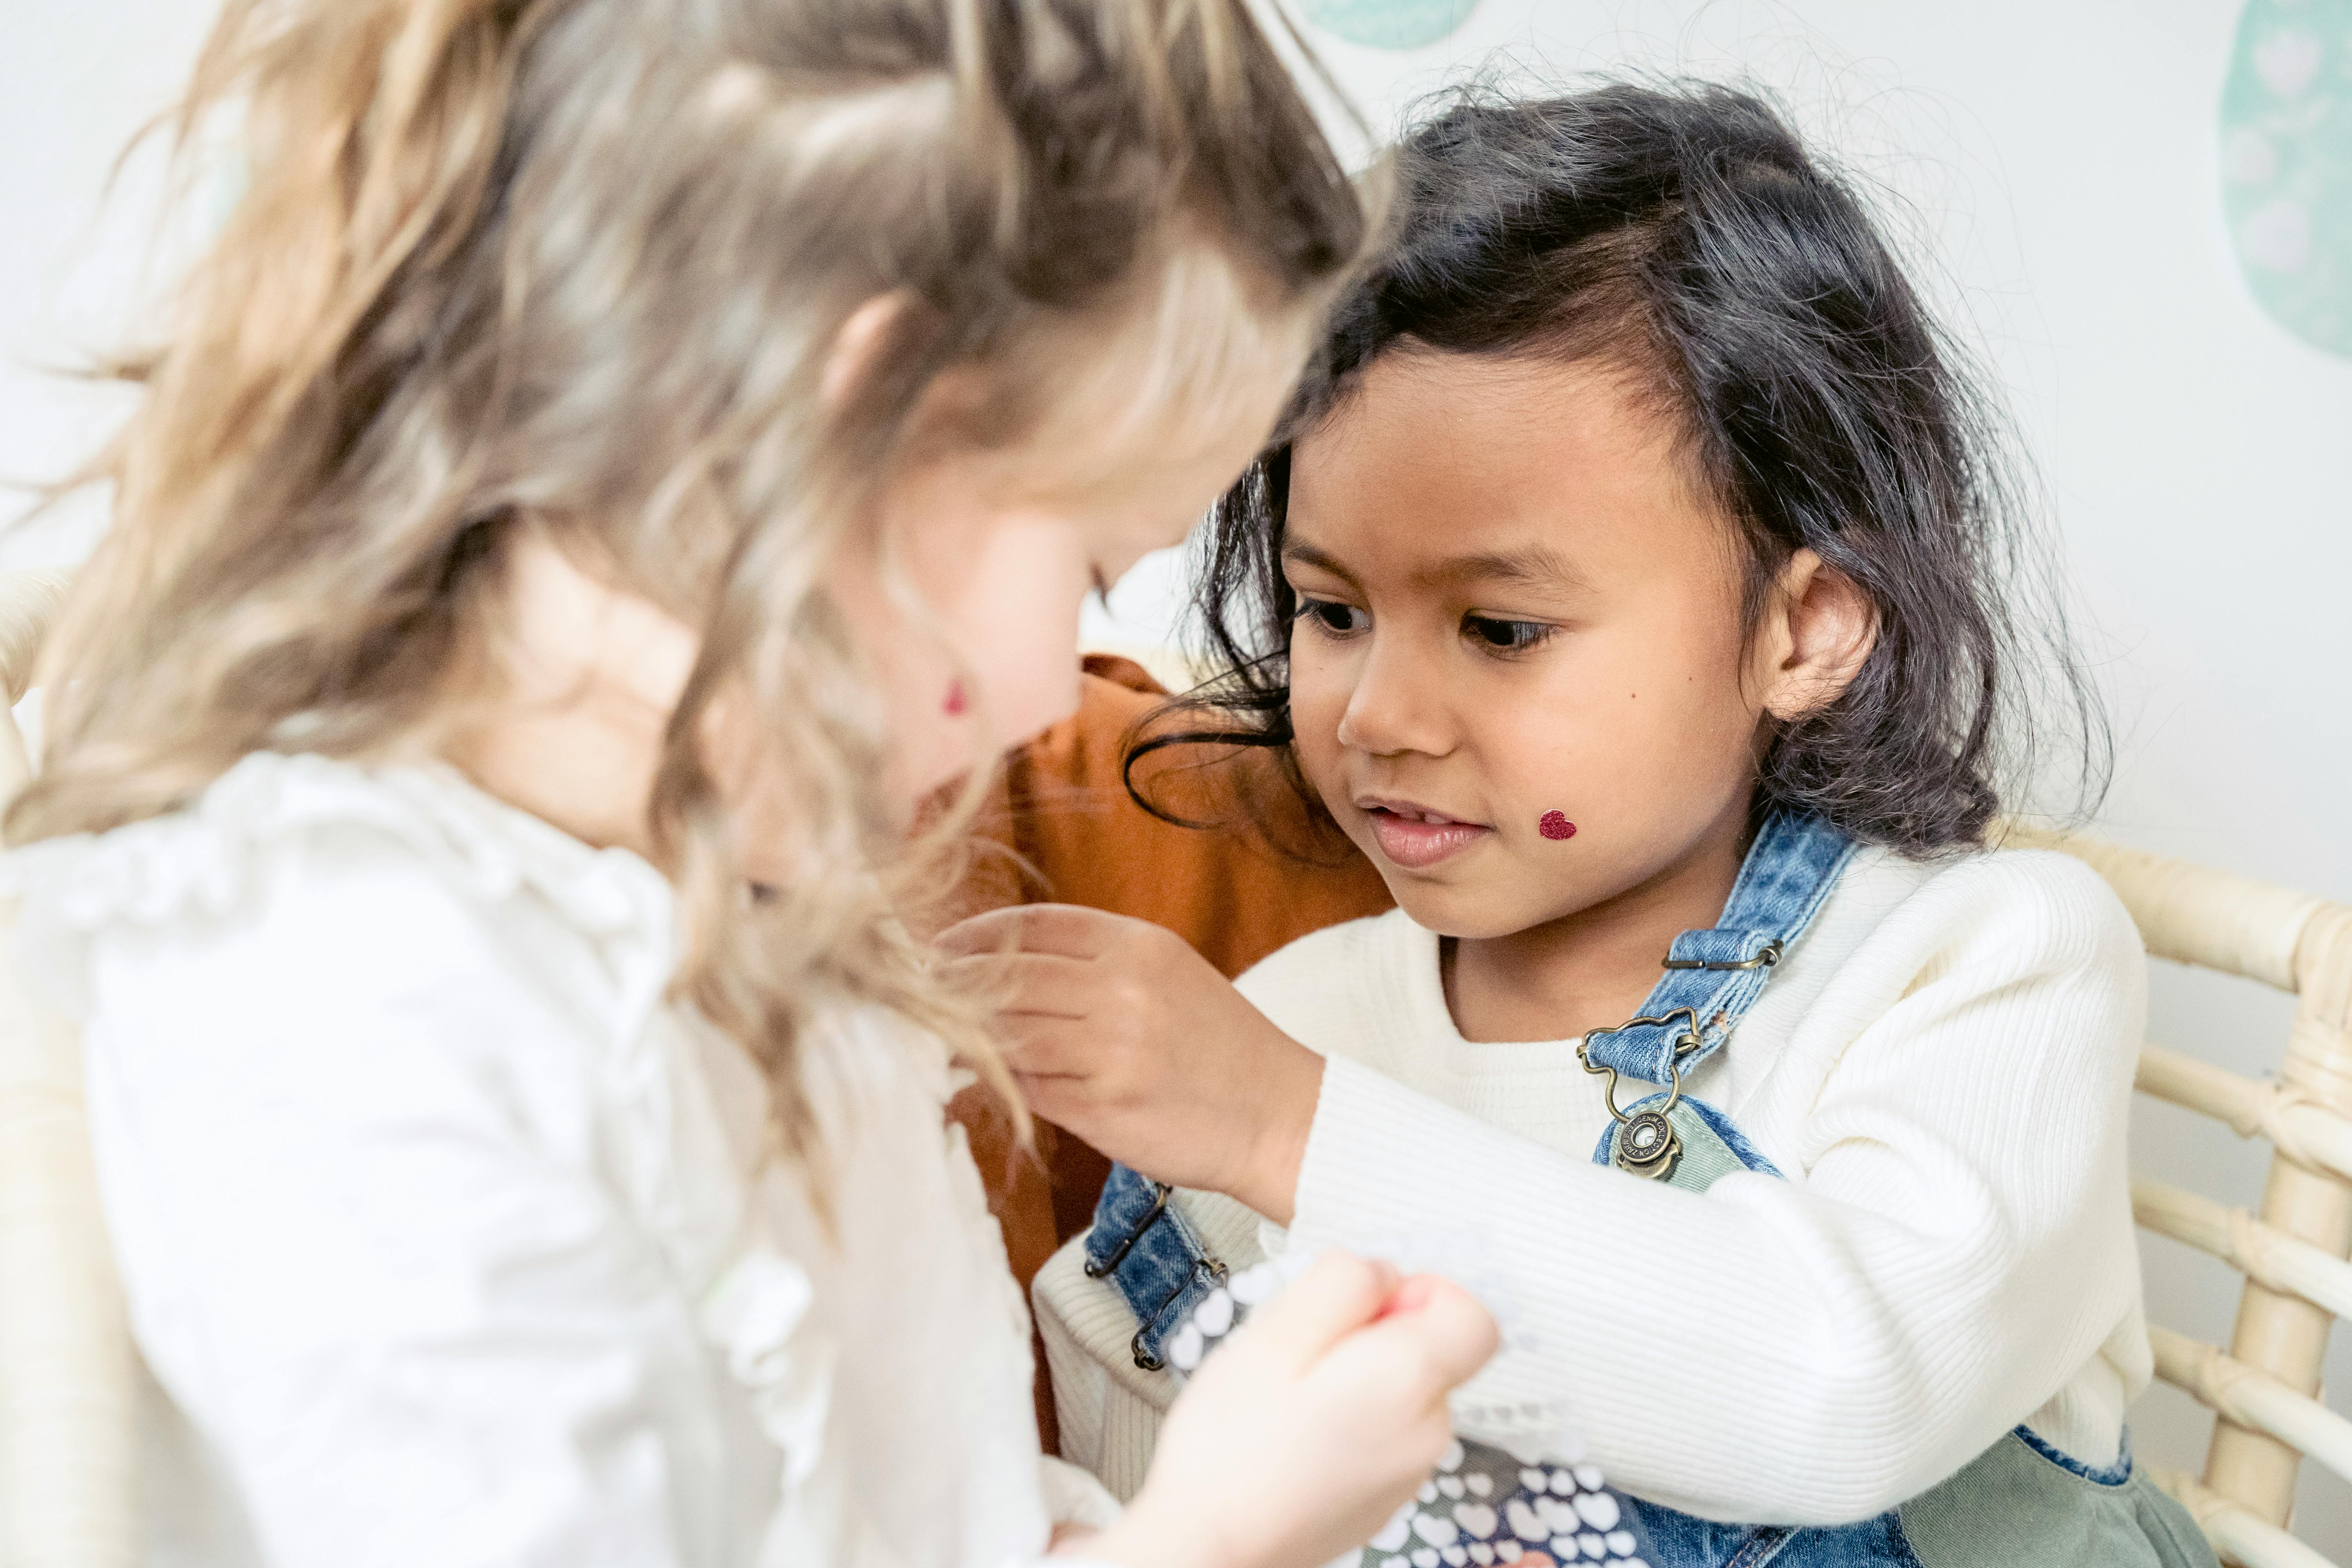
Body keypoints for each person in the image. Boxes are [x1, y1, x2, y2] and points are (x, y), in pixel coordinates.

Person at [0, 1, 1501, 1563]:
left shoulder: (753, 915)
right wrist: (1204, 1541)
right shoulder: (345, 1000)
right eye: (1085, 568)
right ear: (843, 429)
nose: (1062, 689)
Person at [954, 85, 2220, 1566]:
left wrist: (1283, 1127)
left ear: (1802, 627)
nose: (1377, 715)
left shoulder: (1977, 965)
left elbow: (1839, 1389)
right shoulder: (1296, 1021)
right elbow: (1145, 1479)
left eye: (1499, 627)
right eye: (1333, 610)